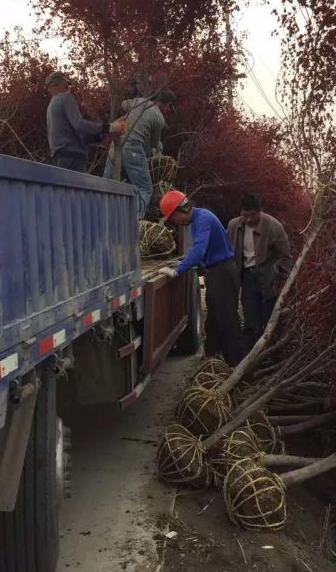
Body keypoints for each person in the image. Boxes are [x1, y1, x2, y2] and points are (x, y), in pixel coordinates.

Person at [158, 190, 243, 366]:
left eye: (173, 219)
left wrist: (177, 270)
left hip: (223, 273)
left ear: (180, 211)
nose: (175, 223)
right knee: (213, 319)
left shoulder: (202, 219)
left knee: (227, 321)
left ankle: (235, 366)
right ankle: (212, 361)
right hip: (218, 272)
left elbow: (199, 250)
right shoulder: (200, 218)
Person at [227, 194, 291, 350]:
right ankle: (250, 356)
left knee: (271, 318)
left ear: (259, 212)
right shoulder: (234, 226)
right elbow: (227, 251)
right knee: (250, 317)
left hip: (269, 277)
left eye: (252, 215)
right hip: (247, 277)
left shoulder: (273, 226)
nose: (248, 219)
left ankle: (273, 354)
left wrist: (277, 276)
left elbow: (286, 256)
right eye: (244, 215)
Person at [103, 90, 176, 218]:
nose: (169, 111)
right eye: (170, 107)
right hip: (132, 149)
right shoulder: (159, 119)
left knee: (107, 185)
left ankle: (103, 216)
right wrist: (159, 151)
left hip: (116, 146)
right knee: (145, 188)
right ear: (166, 104)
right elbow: (154, 145)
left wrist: (135, 109)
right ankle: (136, 221)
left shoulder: (141, 101)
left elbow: (123, 104)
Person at [45, 71, 124, 173]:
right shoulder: (65, 98)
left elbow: (72, 134)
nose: (68, 88)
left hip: (60, 157)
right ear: (60, 84)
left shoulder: (51, 105)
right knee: (75, 188)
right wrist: (111, 127)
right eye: (66, 85)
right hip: (73, 157)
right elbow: (79, 124)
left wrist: (100, 136)